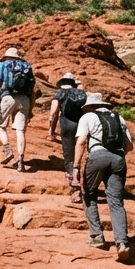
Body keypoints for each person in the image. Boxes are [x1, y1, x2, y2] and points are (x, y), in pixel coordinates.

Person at [73, 93, 134, 263]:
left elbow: (81, 142)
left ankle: (97, 236)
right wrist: (117, 157)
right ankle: (122, 242)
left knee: (88, 193)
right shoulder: (119, 118)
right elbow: (129, 146)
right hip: (118, 159)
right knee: (115, 202)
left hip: (97, 157)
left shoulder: (88, 117)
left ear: (90, 107)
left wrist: (76, 167)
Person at [0, 47, 35, 172]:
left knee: (0, 126)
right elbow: (32, 89)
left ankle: (8, 150)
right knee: (20, 130)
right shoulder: (27, 66)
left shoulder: (3, 64)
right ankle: (20, 161)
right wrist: (30, 108)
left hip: (7, 97)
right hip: (24, 99)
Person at [48, 73, 86, 204]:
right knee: (82, 155)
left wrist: (51, 131)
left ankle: (75, 188)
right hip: (82, 124)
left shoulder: (60, 93)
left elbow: (53, 113)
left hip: (67, 125)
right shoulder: (81, 93)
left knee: (69, 156)